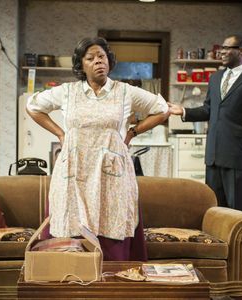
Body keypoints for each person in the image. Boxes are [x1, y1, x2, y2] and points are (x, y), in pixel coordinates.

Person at [26, 37, 169, 261]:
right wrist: (60, 133)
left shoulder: (125, 92)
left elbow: (161, 109)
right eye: (90, 58)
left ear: (109, 62)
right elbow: (33, 107)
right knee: (71, 222)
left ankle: (111, 281)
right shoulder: (67, 92)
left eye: (101, 57)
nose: (98, 62)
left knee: (111, 220)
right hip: (75, 169)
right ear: (81, 65)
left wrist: (132, 132)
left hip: (111, 171)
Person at [168, 34, 242, 213]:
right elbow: (208, 109)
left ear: (241, 51)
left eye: (226, 48)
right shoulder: (215, 78)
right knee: (214, 210)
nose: (221, 52)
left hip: (237, 156)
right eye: (221, 48)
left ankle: (236, 242)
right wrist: (184, 111)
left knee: (236, 211)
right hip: (213, 156)